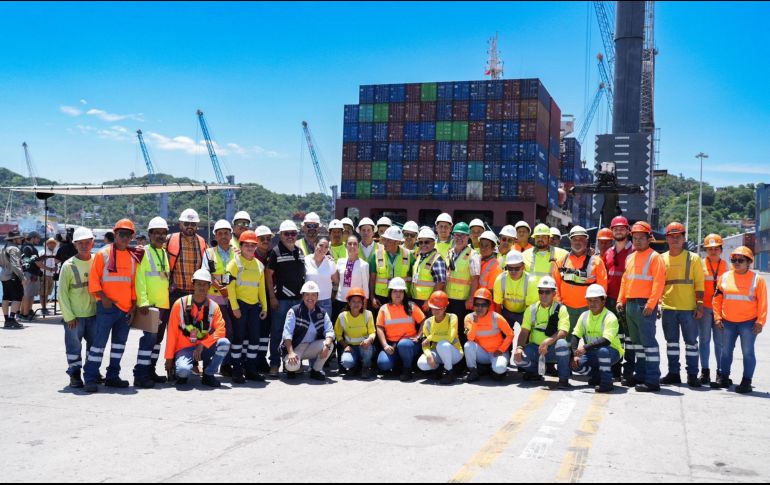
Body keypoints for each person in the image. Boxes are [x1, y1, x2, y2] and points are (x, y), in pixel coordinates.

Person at [83, 219, 139, 393]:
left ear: (131, 237)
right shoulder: (103, 254)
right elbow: (93, 280)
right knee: (98, 344)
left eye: (128, 235)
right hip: (107, 308)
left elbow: (133, 283)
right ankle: (90, 378)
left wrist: (133, 306)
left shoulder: (132, 257)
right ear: (115, 234)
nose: (124, 238)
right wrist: (103, 298)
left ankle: (112, 377)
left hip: (125, 309)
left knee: (118, 346)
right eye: (121, 234)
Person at [617, 221, 666, 393]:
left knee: (648, 343)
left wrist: (652, 304)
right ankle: (641, 375)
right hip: (630, 303)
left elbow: (659, 283)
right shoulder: (630, 257)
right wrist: (620, 300)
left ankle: (652, 379)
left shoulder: (655, 257)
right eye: (635, 238)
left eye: (641, 238)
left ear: (649, 239)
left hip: (644, 305)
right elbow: (625, 280)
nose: (637, 241)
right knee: (637, 343)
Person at [713, 246, 767, 394]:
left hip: (748, 323)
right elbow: (717, 300)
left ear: (749, 262)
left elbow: (763, 302)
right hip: (727, 322)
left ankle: (746, 382)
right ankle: (724, 378)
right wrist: (717, 317)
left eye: (740, 260)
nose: (736, 263)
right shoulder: (725, 277)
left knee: (748, 352)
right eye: (733, 260)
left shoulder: (757, 279)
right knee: (725, 352)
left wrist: (760, 322)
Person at [164, 269, 230, 388]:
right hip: (184, 347)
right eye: (198, 284)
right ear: (193, 284)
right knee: (183, 372)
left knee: (224, 343)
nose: (202, 287)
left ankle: (208, 374)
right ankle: (181, 368)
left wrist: (203, 344)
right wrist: (169, 358)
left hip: (204, 348)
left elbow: (221, 330)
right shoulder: (180, 304)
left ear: (209, 287)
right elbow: (172, 333)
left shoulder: (213, 307)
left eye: (205, 284)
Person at [660, 222, 705, 388]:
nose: (675, 240)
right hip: (668, 307)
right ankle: (673, 373)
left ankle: (692, 375)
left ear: (684, 238)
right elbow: (658, 284)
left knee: (691, 343)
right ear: (666, 239)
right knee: (671, 343)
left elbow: (700, 283)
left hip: (688, 308)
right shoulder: (661, 258)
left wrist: (700, 304)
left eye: (678, 236)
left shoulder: (693, 258)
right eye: (671, 237)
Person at [132, 217, 172, 388]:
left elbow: (163, 277)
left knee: (157, 341)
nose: (160, 236)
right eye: (157, 233)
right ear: (149, 234)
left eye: (163, 233)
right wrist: (143, 301)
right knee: (148, 340)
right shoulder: (144, 252)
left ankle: (151, 371)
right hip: (150, 305)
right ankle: (140, 374)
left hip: (163, 304)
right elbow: (139, 278)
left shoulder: (164, 253)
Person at [226, 230, 268, 384]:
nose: (250, 248)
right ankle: (237, 370)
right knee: (238, 339)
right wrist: (235, 307)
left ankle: (251, 369)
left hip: (254, 307)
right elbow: (229, 287)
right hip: (240, 305)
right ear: (241, 246)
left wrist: (264, 307)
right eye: (247, 245)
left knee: (254, 339)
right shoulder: (233, 264)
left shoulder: (259, 265)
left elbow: (261, 288)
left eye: (253, 245)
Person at [265, 220, 306, 377]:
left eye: (293, 233)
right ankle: (275, 363)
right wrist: (272, 297)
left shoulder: (299, 251)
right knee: (277, 332)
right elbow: (268, 276)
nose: (290, 236)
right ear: (280, 235)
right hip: (281, 300)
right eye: (286, 234)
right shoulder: (275, 252)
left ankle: (292, 363)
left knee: (295, 333)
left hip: (298, 300)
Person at [514, 276, 571, 387]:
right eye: (541, 292)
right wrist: (519, 348)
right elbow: (524, 331)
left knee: (562, 344)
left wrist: (547, 342)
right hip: (536, 349)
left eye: (547, 292)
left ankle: (563, 379)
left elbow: (563, 332)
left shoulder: (561, 309)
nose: (543, 295)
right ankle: (536, 372)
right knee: (517, 359)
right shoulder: (531, 309)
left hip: (553, 349)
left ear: (554, 293)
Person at [59, 227, 98, 388]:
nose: (83, 245)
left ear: (92, 243)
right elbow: (62, 293)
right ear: (74, 245)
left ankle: (91, 372)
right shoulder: (68, 266)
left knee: (94, 346)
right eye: (80, 243)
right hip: (75, 316)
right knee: (74, 347)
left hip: (94, 314)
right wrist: (69, 316)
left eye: (87, 242)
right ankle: (74, 373)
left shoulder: (97, 260)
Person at [553, 226, 608, 333]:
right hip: (566, 308)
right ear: (570, 241)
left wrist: (598, 306)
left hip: (589, 309)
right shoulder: (561, 261)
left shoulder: (596, 261)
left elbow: (602, 286)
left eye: (581, 239)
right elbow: (555, 283)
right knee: (566, 343)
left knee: (591, 342)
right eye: (575, 239)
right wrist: (558, 304)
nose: (578, 242)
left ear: (587, 241)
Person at [570, 284, 625, 393]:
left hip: (611, 352)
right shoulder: (584, 316)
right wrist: (574, 354)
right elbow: (575, 336)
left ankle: (606, 383)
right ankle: (597, 375)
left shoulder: (610, 317)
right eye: (590, 300)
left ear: (603, 301)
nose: (592, 303)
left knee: (602, 351)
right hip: (591, 352)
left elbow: (606, 340)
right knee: (574, 365)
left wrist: (585, 347)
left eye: (596, 300)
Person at [201, 220, 237, 377]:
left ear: (230, 235)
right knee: (211, 332)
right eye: (220, 233)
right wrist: (221, 288)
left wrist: (226, 288)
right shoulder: (209, 253)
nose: (223, 236)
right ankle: (208, 364)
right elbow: (206, 273)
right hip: (214, 300)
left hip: (232, 299)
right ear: (215, 235)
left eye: (226, 233)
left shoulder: (236, 252)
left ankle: (226, 364)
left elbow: (238, 273)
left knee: (230, 332)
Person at [604, 216, 636, 385]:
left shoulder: (634, 252)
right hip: (610, 300)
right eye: (615, 229)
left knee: (629, 338)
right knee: (614, 336)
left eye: (622, 228)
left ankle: (629, 371)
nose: (618, 231)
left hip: (627, 300)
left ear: (628, 231)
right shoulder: (608, 253)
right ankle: (615, 370)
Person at [282, 281, 335, 381]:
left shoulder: (322, 312)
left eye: (313, 295)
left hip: (311, 346)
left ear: (317, 296)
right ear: (302, 296)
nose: (310, 298)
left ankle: (316, 370)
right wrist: (291, 352)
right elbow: (287, 334)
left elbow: (330, 331)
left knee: (330, 345)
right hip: (296, 347)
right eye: (307, 295)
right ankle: (290, 369)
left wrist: (326, 346)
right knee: (292, 366)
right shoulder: (294, 311)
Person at [376, 277, 426, 381]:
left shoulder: (411, 306)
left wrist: (419, 336)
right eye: (395, 291)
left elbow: (424, 321)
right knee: (383, 364)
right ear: (390, 293)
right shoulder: (384, 308)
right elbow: (379, 328)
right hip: (391, 344)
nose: (398, 294)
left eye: (401, 291)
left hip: (408, 344)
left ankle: (407, 370)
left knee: (403, 344)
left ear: (404, 293)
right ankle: (398, 365)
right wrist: (385, 346)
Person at [464, 288, 514, 383]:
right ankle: (473, 371)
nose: (480, 308)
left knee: (499, 369)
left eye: (483, 305)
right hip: (482, 354)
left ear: (489, 305)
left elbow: (510, 334)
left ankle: (490, 369)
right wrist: (475, 322)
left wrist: (501, 349)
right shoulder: (469, 318)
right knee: (468, 345)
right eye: (477, 304)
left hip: (498, 353)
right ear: (473, 305)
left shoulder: (496, 317)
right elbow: (470, 338)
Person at [699, 234, 729, 386]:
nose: (713, 251)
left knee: (720, 343)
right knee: (704, 341)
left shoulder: (727, 266)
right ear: (706, 250)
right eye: (710, 249)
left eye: (716, 248)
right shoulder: (700, 264)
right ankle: (705, 371)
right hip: (704, 308)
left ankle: (720, 372)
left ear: (721, 250)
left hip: (720, 310)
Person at [417, 291, 463, 384]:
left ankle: (449, 373)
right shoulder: (428, 322)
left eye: (439, 308)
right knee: (422, 364)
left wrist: (430, 338)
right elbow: (424, 343)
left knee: (442, 344)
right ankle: (439, 369)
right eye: (433, 308)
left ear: (445, 308)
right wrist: (428, 354)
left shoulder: (452, 317)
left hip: (455, 353)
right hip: (437, 354)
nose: (436, 311)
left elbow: (450, 338)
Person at [445, 222, 481, 339]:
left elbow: (475, 279)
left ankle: (462, 356)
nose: (459, 238)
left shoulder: (473, 255)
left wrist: (471, 299)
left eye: (463, 235)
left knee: (461, 329)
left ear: (468, 236)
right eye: (457, 235)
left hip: (462, 300)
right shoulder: (450, 252)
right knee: (449, 327)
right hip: (448, 298)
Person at [167, 208, 207, 309]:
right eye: (186, 223)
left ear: (197, 226)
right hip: (175, 292)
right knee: (175, 323)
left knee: (193, 323)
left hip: (196, 293)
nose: (190, 226)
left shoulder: (202, 243)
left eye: (193, 224)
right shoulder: (169, 239)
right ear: (180, 224)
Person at [370, 226, 413, 318]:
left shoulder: (409, 255)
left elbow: (413, 277)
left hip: (400, 297)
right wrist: (372, 297)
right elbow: (372, 279)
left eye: (388, 240)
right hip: (381, 297)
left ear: (397, 242)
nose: (384, 243)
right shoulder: (376, 255)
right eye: (384, 239)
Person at [335, 287, 376, 378]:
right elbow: (338, 334)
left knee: (368, 348)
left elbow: (372, 332)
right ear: (349, 303)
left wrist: (368, 340)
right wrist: (345, 346)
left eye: (359, 301)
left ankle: (365, 367)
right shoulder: (342, 316)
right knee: (346, 362)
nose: (356, 304)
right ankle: (354, 367)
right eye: (353, 301)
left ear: (362, 303)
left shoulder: (368, 314)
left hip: (364, 347)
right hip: (350, 347)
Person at [494, 251, 538, 329]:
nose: (513, 271)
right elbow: (497, 304)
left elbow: (530, 308)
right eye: (510, 268)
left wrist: (526, 327)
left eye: (517, 268)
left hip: (524, 312)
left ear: (523, 267)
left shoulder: (531, 281)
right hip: (506, 311)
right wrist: (500, 323)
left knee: (526, 334)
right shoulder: (500, 279)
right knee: (503, 334)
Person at [334, 236, 370, 324]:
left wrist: (364, 308)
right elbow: (337, 280)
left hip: (356, 303)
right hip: (340, 300)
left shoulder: (364, 265)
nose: (352, 246)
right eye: (350, 244)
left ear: (358, 247)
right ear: (346, 246)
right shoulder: (340, 262)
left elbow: (365, 288)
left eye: (355, 244)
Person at [253, 225, 274, 371]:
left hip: (269, 296)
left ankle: (261, 358)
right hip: (254, 298)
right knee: (255, 331)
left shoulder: (273, 254)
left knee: (266, 331)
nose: (266, 241)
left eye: (268, 238)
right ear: (256, 240)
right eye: (262, 238)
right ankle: (253, 360)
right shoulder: (250, 255)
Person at [411, 228, 447, 310]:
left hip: (427, 303)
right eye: (420, 242)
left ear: (434, 243)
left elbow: (440, 283)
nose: (423, 245)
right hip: (416, 300)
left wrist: (430, 301)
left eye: (426, 242)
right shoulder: (419, 257)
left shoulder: (437, 259)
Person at [304, 238, 338, 317]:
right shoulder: (305, 260)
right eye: (321, 245)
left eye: (326, 247)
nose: (323, 249)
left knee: (324, 328)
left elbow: (336, 281)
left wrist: (333, 293)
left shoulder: (331, 263)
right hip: (308, 300)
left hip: (325, 301)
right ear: (315, 245)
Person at [1, 230, 25, 329]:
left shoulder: (4, 248)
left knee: (6, 297)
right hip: (13, 276)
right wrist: (22, 277)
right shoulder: (14, 249)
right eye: (19, 238)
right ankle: (12, 319)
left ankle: (7, 320)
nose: (21, 239)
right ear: (14, 239)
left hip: (3, 275)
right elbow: (16, 265)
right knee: (17, 297)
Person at [523, 224, 559, 288]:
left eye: (543, 237)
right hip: (530, 296)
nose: (540, 239)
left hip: (550, 296)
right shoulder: (524, 255)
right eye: (537, 237)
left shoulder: (561, 254)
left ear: (549, 238)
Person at [20, 231, 43, 320]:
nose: (39, 240)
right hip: (29, 274)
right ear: (33, 238)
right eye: (38, 238)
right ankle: (25, 315)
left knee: (29, 294)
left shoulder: (25, 247)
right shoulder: (29, 248)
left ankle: (25, 312)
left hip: (29, 273)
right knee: (28, 295)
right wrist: (50, 269)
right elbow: (37, 263)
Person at [40, 237, 59, 316]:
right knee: (43, 292)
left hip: (51, 275)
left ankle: (45, 307)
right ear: (47, 244)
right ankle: (43, 308)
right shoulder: (42, 252)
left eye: (54, 243)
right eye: (50, 243)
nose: (52, 244)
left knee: (47, 292)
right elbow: (39, 263)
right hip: (44, 274)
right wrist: (50, 269)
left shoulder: (56, 253)